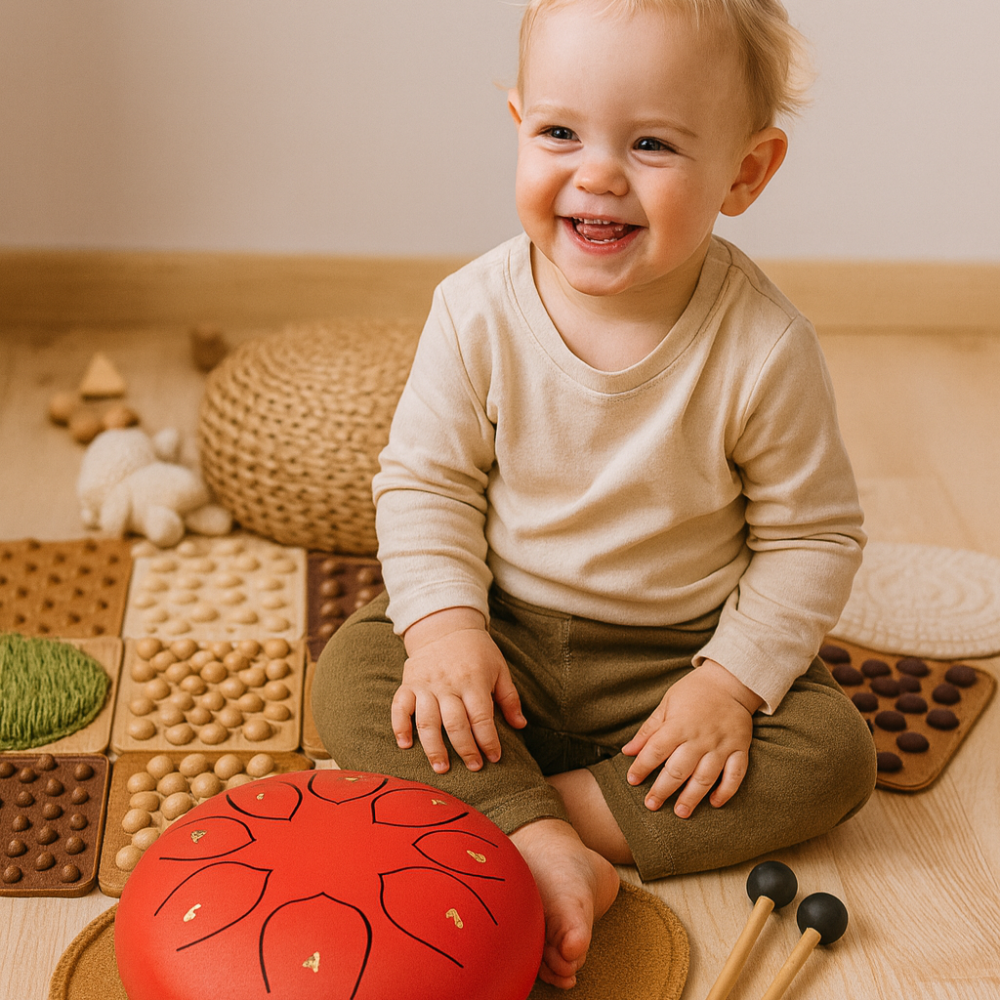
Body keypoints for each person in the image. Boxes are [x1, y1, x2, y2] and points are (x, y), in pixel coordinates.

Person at [312, 0, 876, 989]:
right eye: (560, 133)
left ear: (744, 173)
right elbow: (426, 484)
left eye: (651, 144)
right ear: (518, 124)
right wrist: (446, 633)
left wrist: (727, 685)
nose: (599, 174)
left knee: (832, 754)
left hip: (673, 661)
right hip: (506, 639)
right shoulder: (474, 310)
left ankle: (530, 815)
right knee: (355, 673)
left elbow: (813, 537)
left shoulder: (762, 346)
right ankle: (546, 824)